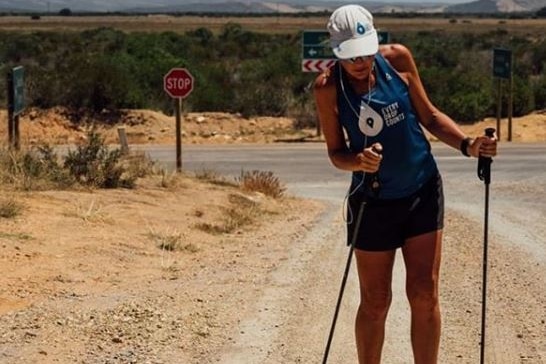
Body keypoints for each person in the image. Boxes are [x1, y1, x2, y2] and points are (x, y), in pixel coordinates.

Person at [313, 4, 497, 364]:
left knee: (424, 293)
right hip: (372, 199)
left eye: (366, 52)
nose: (362, 62)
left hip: (422, 190)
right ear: (336, 53)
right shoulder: (327, 89)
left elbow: (428, 115)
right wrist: (359, 162)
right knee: (376, 300)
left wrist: (467, 144)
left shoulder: (397, 59)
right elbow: (337, 153)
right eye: (352, 58)